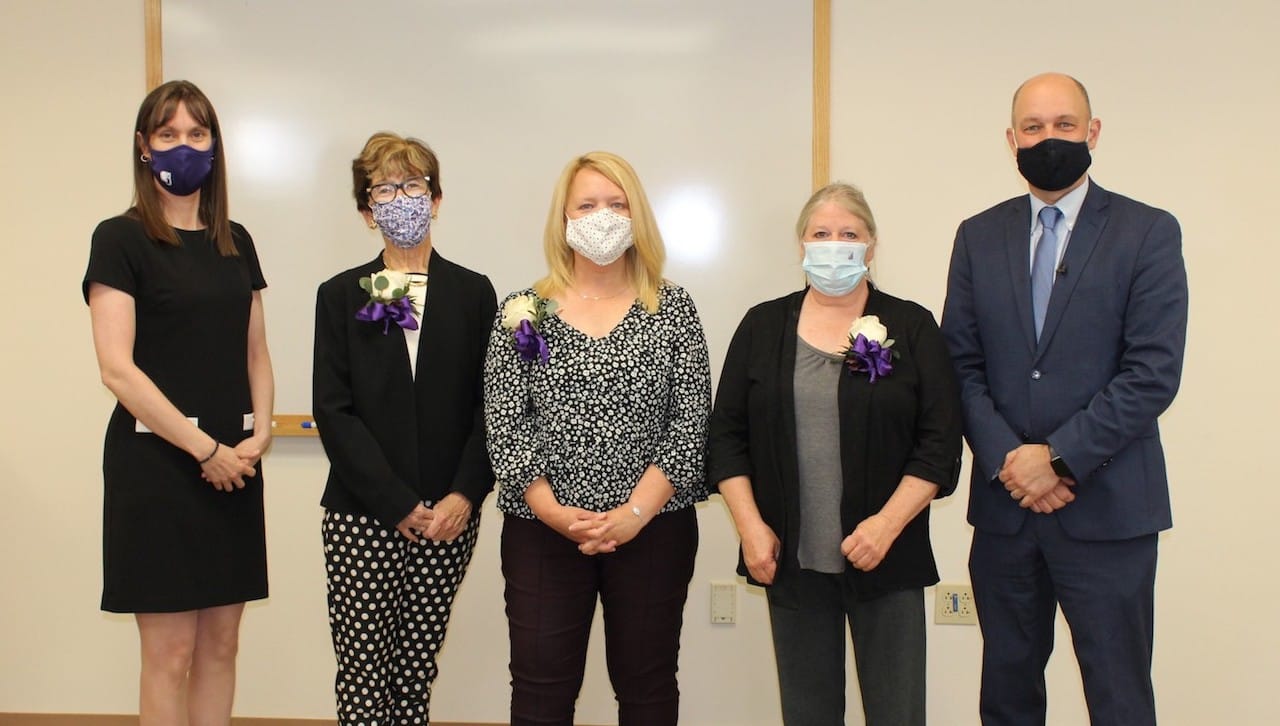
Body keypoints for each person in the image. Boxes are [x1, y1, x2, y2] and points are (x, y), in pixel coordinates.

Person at [940, 72, 1188, 726]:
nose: (1048, 139)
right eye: (1033, 127)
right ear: (1011, 140)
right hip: (1006, 516)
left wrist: (1057, 458)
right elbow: (958, 367)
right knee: (1007, 699)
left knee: (1120, 699)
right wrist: (1010, 460)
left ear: (1093, 132)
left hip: (1109, 516)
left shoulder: (1148, 232)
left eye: (1064, 125)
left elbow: (1152, 372)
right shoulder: (977, 236)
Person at [708, 182, 962, 725]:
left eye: (849, 234)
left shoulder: (911, 326)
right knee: (808, 714)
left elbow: (939, 444)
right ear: (801, 244)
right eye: (821, 234)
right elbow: (726, 437)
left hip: (887, 557)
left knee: (897, 714)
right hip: (790, 562)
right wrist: (751, 528)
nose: (834, 245)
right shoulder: (761, 326)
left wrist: (887, 526)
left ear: (871, 247)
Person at [483, 151, 711, 726]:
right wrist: (555, 511)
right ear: (564, 218)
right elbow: (506, 423)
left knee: (648, 684)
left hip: (654, 527)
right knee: (540, 689)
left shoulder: (673, 308)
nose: (602, 216)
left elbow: (690, 423)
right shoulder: (523, 311)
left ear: (638, 216)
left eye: (616, 203)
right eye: (587, 204)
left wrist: (634, 512)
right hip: (542, 532)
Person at [83, 80, 274, 724]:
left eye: (197, 134)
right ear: (144, 147)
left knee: (222, 644)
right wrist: (205, 450)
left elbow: (256, 354)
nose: (183, 147)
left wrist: (260, 435)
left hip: (234, 469)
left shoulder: (236, 240)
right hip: (158, 470)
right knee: (169, 655)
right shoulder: (120, 238)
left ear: (215, 147)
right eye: (169, 134)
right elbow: (118, 369)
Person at [312, 132, 496, 724]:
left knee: (415, 671)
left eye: (413, 185)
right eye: (385, 189)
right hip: (364, 514)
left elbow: (490, 405)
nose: (401, 199)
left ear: (436, 198)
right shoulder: (341, 295)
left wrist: (465, 493)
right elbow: (334, 411)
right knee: (366, 677)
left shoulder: (474, 292)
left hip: (449, 516)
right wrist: (394, 502)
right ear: (367, 211)